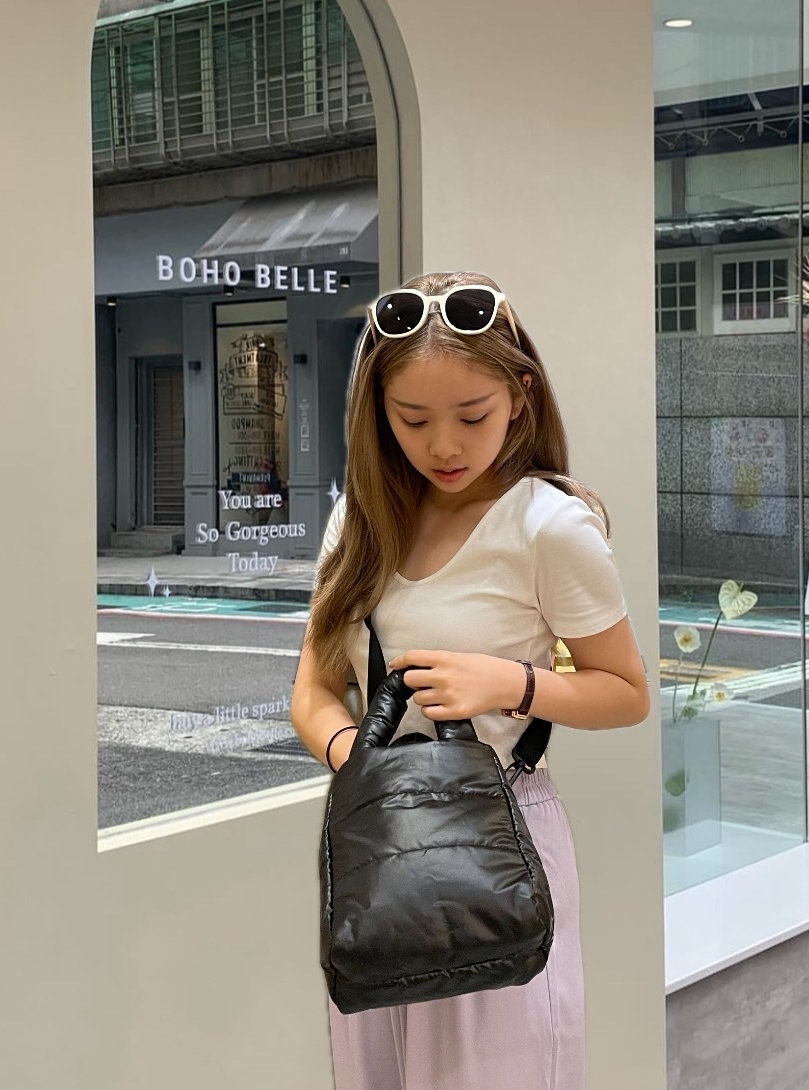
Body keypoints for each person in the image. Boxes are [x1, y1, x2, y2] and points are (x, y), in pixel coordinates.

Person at [291, 270, 651, 1090]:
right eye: (412, 419)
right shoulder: (359, 521)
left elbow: (625, 691)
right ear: (377, 411)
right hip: (378, 849)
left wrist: (508, 684)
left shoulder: (548, 525)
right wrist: (361, 762)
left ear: (520, 396)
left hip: (497, 838)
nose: (443, 446)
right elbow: (311, 692)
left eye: (471, 415)